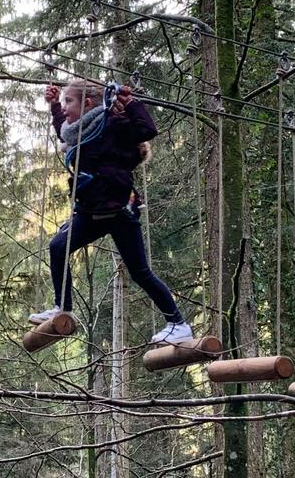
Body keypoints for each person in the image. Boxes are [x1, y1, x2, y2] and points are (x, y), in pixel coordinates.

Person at [29, 79, 194, 344]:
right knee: (58, 246)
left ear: (88, 104)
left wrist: (131, 103)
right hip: (91, 209)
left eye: (68, 102)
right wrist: (53, 107)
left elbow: (146, 129)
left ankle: (178, 323)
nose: (65, 107)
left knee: (140, 271)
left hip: (117, 210)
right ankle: (62, 308)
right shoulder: (77, 131)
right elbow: (64, 131)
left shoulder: (111, 125)